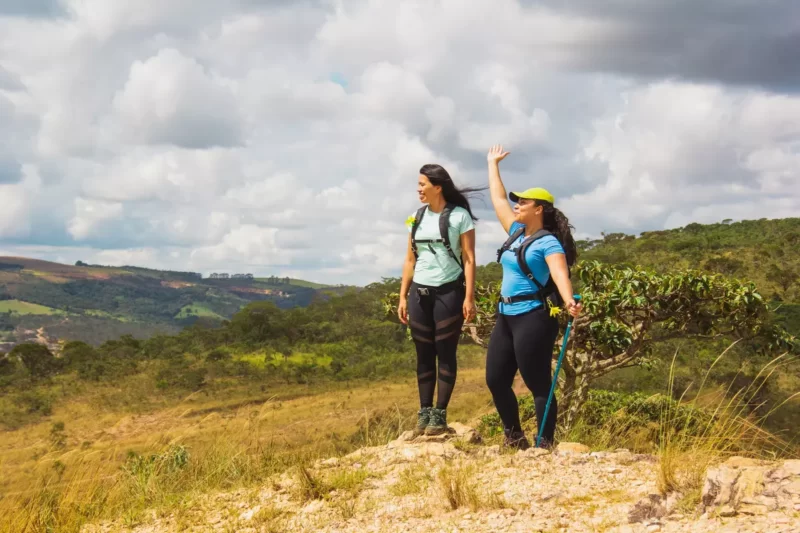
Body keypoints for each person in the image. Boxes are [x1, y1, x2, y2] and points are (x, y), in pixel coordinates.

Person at [484, 144, 582, 450]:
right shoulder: (515, 232)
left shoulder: (548, 242)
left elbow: (559, 273)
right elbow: (498, 198)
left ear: (538, 209)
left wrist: (568, 300)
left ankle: (545, 444)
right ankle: (515, 438)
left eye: (522, 202)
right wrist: (492, 164)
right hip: (506, 316)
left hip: (533, 318)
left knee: (538, 382)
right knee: (496, 380)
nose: (516, 206)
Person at [397, 164, 484, 436]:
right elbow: (411, 259)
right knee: (423, 355)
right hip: (419, 293)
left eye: (422, 184)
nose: (418, 189)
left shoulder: (460, 217)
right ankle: (424, 412)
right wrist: (402, 295)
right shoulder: (415, 218)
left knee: (445, 353)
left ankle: (440, 414)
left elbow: (469, 259)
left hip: (449, 291)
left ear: (438, 186)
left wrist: (469, 297)